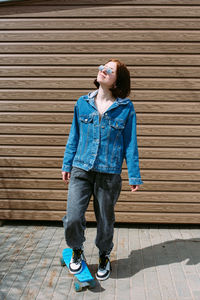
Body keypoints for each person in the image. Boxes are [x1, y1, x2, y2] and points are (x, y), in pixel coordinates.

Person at [61, 59, 143, 281]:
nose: (103, 71)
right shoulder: (82, 103)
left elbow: (130, 143)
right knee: (73, 218)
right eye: (102, 67)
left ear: (118, 81)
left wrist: (133, 174)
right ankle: (76, 250)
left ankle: (104, 254)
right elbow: (74, 136)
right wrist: (67, 163)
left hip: (109, 173)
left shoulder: (125, 108)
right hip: (81, 168)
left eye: (110, 70)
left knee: (105, 220)